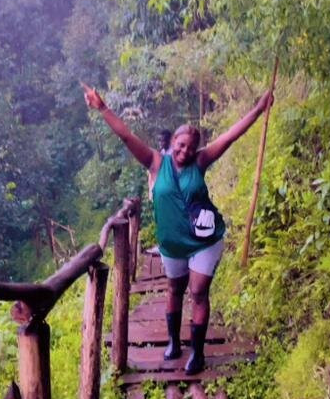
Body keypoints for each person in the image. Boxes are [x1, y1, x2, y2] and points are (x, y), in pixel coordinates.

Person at [82, 82, 273, 374]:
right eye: (180, 145)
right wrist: (102, 107)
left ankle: (196, 353)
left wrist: (259, 109)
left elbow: (231, 136)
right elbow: (126, 136)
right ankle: (173, 342)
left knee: (198, 292)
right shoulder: (156, 162)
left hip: (204, 241)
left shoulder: (201, 160)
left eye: (190, 147)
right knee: (174, 289)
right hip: (172, 245)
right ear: (172, 143)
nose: (185, 151)